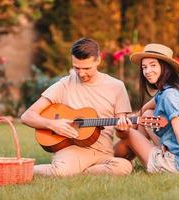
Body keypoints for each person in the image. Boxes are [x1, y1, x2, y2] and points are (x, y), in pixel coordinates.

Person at [21, 38, 133, 176]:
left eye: (86, 68)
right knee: (61, 172)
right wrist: (52, 124)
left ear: (98, 61)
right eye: (76, 68)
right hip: (72, 150)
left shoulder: (117, 86)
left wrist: (123, 129)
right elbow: (27, 116)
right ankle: (22, 170)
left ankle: (78, 171)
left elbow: (122, 134)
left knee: (124, 167)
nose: (81, 73)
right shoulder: (64, 84)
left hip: (103, 153)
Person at [114, 43, 179, 176]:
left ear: (165, 67)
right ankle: (127, 159)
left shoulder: (170, 96)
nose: (147, 71)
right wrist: (134, 118)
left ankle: (111, 161)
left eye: (153, 65)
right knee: (147, 114)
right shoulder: (168, 90)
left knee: (129, 134)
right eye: (144, 67)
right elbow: (146, 109)